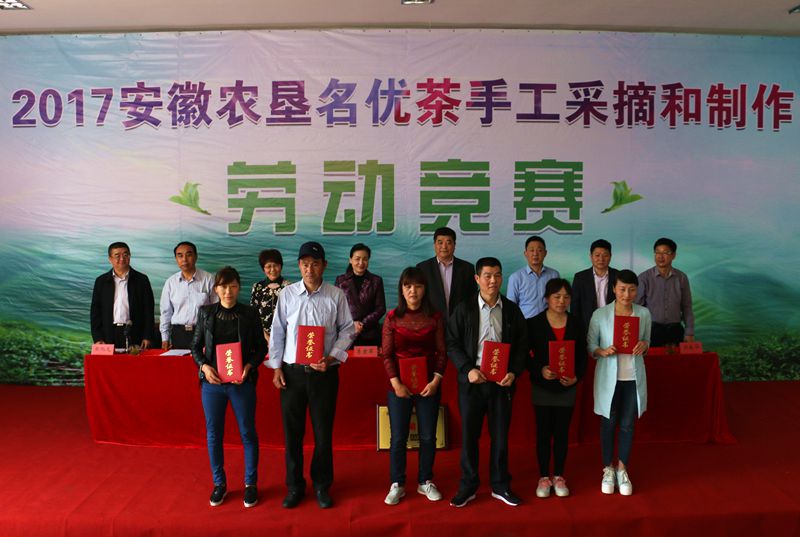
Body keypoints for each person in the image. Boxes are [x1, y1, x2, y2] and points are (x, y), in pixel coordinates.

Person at [267, 241, 355, 510]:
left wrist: (332, 356)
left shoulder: (336, 295)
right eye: (305, 264)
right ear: (299, 266)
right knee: (292, 435)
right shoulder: (287, 294)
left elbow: (348, 330)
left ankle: (321, 485)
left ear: (324, 266)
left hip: (323, 375)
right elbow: (278, 331)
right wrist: (276, 368)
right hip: (292, 375)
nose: (309, 269)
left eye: (315, 264)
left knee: (323, 434)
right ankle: (294, 486)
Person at [447, 257, 527, 508]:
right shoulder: (464, 308)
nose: (493, 281)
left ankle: (500, 485)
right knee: (469, 437)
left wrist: (514, 372)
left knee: (500, 437)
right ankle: (468, 485)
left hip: (501, 384)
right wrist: (467, 369)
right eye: (488, 276)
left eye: (497, 275)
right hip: (473, 382)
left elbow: (522, 345)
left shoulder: (511, 310)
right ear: (477, 279)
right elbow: (452, 343)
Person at [191, 266, 267, 508]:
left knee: (247, 432)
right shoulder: (206, 313)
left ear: (238, 287)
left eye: (233, 286)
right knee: (214, 434)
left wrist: (249, 366)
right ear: (216, 289)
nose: (228, 292)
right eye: (223, 287)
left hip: (241, 384)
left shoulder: (249, 313)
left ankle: (250, 484)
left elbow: (261, 348)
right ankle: (219, 483)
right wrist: (204, 366)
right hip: (213, 384)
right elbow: (195, 348)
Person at [380, 267, 447, 506]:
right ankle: (397, 483)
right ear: (402, 289)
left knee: (428, 436)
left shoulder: (435, 317)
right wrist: (396, 383)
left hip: (428, 385)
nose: (413, 291)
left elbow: (442, 352)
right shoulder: (392, 317)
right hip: (399, 386)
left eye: (418, 286)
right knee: (398, 437)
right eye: (408, 286)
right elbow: (387, 355)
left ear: (424, 289)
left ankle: (425, 481)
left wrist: (436, 380)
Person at [587, 269, 652, 496]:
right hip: (609, 378)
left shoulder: (643, 313)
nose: (627, 294)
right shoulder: (600, 314)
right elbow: (590, 345)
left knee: (627, 424)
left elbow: (647, 341)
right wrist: (602, 351)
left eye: (632, 290)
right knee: (608, 422)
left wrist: (644, 345)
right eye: (622, 289)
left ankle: (622, 469)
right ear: (614, 289)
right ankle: (608, 468)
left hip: (632, 378)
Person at [527, 279, 587, 499]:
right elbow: (524, 355)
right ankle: (544, 476)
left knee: (562, 433)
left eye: (566, 297)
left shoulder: (577, 323)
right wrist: (540, 370)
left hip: (566, 387)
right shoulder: (534, 323)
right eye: (557, 297)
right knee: (543, 433)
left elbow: (582, 356)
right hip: (542, 387)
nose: (562, 301)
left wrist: (576, 377)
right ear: (547, 299)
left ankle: (559, 475)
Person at [90, 241, 155, 350]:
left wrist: (147, 336)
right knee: (111, 362)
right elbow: (95, 312)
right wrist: (98, 337)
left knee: (134, 361)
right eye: (117, 256)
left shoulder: (141, 280)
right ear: (110, 259)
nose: (122, 259)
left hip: (135, 333)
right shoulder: (101, 281)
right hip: (108, 334)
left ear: (130, 256)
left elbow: (148, 310)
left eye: (125, 255)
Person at [636, 237, 694, 347]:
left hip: (675, 331)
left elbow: (687, 306)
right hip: (651, 331)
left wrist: (689, 332)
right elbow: (637, 307)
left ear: (673, 255)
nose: (660, 256)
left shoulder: (681, 278)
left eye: (665, 253)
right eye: (657, 252)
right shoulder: (644, 278)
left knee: (676, 359)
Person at [159, 241, 217, 350]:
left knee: (203, 361)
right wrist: (165, 338)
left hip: (203, 333)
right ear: (176, 259)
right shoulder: (171, 283)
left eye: (188, 255)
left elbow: (216, 309)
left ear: (196, 257)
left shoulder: (208, 279)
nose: (184, 259)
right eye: (180, 256)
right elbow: (166, 313)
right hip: (178, 333)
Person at [416, 226, 476, 320]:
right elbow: (419, 297)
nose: (444, 246)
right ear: (434, 245)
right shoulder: (422, 268)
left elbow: (472, 299)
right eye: (440, 242)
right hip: (431, 321)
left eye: (448, 242)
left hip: (460, 321)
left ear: (454, 245)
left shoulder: (467, 268)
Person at [335, 243, 386, 347]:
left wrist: (363, 324)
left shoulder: (376, 281)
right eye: (357, 259)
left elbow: (380, 308)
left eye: (365, 259)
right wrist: (352, 325)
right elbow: (336, 308)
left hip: (370, 334)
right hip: (346, 333)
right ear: (350, 260)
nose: (361, 263)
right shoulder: (341, 281)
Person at [571, 239, 619, 333]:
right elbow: (575, 307)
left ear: (610, 256)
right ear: (591, 256)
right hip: (587, 327)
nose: (601, 259)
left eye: (605, 255)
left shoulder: (618, 276)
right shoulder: (580, 277)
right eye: (597, 255)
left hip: (613, 326)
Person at [507, 236, 560, 319]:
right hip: (525, 323)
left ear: (545, 253)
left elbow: (558, 301)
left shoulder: (554, 275)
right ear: (525, 253)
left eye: (539, 250)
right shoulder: (516, 277)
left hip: (549, 322)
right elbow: (511, 307)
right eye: (531, 250)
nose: (535, 254)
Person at [250, 248, 290, 344]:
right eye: (268, 266)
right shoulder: (257, 287)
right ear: (263, 268)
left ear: (281, 266)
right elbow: (253, 315)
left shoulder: (289, 287)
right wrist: (267, 337)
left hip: (285, 337)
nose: (272, 270)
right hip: (262, 337)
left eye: (276, 265)